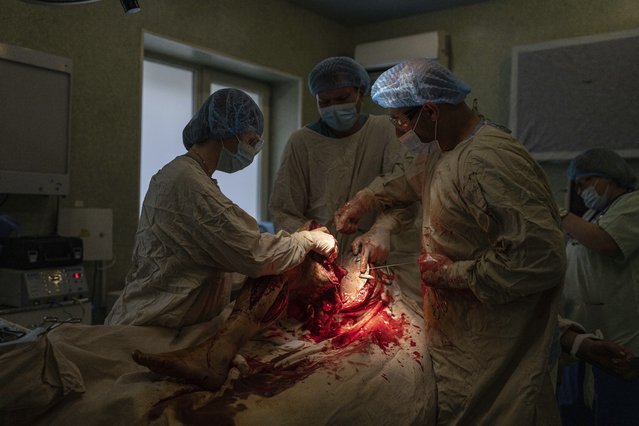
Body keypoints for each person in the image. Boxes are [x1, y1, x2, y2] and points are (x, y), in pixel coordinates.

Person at [334, 58, 567, 424]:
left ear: (430, 110)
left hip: (500, 346)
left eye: (399, 121)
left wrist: (453, 274)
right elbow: (411, 178)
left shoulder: (488, 159)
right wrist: (366, 200)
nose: (398, 132)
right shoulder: (446, 148)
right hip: (462, 337)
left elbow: (540, 259)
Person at [105, 88, 337, 329]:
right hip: (152, 326)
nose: (253, 149)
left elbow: (209, 256)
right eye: (251, 141)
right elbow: (253, 253)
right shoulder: (187, 181)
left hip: (167, 320)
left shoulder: (187, 176)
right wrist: (305, 240)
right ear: (226, 131)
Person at [268, 56, 423, 302]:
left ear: (361, 92)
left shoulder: (384, 130)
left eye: (342, 99)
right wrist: (310, 238)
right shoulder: (302, 142)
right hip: (319, 264)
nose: (334, 108)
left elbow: (405, 191)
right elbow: (283, 210)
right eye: (325, 102)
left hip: (378, 262)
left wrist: (381, 230)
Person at [558, 148, 639, 425]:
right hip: (586, 333)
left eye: (585, 183)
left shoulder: (634, 205)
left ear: (609, 176)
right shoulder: (595, 213)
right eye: (577, 186)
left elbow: (606, 242)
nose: (582, 192)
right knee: (584, 409)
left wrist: (559, 214)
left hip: (622, 334)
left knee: (617, 412)